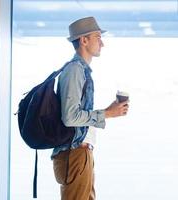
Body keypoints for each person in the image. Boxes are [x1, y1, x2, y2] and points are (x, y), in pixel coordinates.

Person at [51, 16, 129, 200]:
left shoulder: (80, 70)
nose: (102, 44)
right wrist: (107, 114)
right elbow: (70, 117)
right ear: (83, 40)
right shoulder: (75, 70)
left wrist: (108, 111)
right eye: (97, 37)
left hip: (80, 152)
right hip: (75, 153)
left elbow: (75, 114)